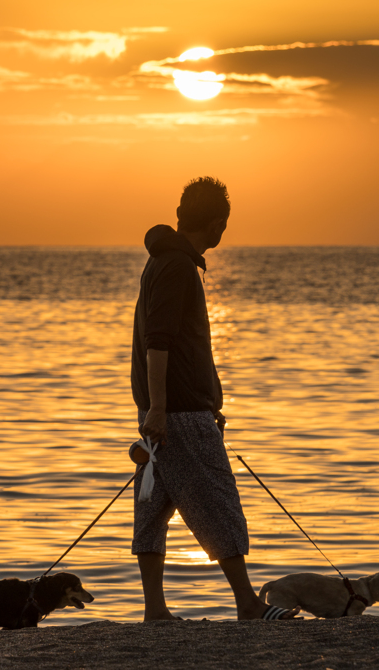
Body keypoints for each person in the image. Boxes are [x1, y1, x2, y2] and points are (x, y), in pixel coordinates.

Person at [130, 176, 300, 621]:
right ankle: (247, 604)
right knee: (218, 502)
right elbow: (160, 342)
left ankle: (155, 611)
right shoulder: (177, 267)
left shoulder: (163, 263)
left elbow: (176, 345)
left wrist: (174, 407)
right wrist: (165, 410)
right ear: (217, 223)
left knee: (154, 508)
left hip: (166, 409)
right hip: (177, 412)